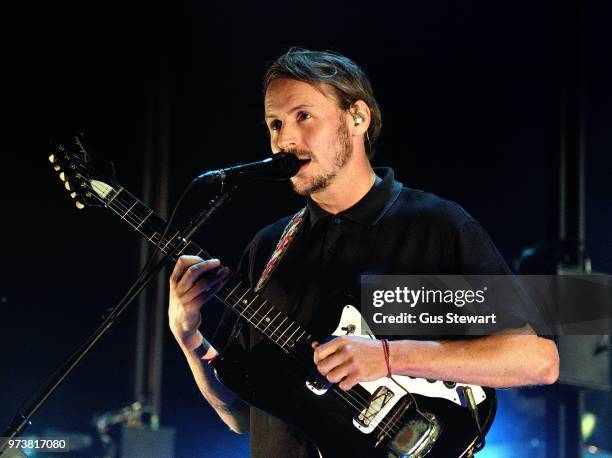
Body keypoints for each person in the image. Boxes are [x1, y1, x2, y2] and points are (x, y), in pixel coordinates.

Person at [167, 48, 559, 457]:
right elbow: (239, 416)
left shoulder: (435, 226)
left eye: (303, 116)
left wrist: (390, 356)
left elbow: (536, 360)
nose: (285, 140)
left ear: (357, 117)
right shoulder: (268, 247)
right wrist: (187, 333)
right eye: (275, 123)